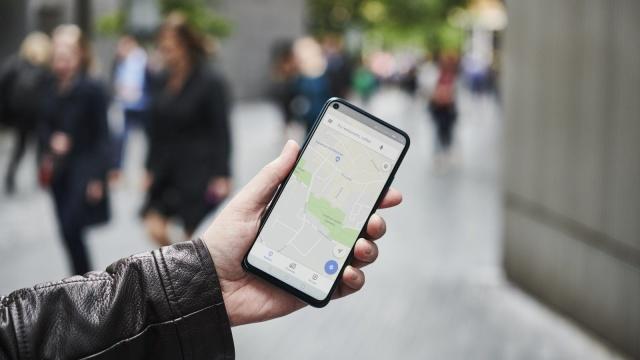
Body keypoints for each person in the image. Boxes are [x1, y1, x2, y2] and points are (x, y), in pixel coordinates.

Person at [0, 140, 403, 359]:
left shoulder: (205, 80)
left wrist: (206, 272)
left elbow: (22, 338)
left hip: (199, 182)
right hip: (169, 180)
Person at [142, 14, 232, 246]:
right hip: (166, 168)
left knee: (195, 240)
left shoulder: (210, 81)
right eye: (161, 47)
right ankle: (175, 269)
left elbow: (221, 130)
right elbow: (155, 130)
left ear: (185, 46)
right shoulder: (161, 80)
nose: (165, 53)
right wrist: (149, 168)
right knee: (153, 224)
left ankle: (185, 277)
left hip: (198, 170)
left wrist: (222, 174)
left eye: (169, 48)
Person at [38, 25, 112, 275]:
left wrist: (98, 177)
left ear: (79, 54)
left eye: (67, 53)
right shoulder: (49, 85)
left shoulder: (92, 88)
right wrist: (51, 140)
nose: (62, 60)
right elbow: (41, 124)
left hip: (84, 165)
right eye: (57, 53)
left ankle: (85, 281)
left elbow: (103, 134)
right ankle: (80, 280)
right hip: (58, 169)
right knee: (66, 232)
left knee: (72, 226)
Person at [0, 32, 52, 194]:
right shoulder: (46, 69)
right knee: (41, 147)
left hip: (20, 116)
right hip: (38, 115)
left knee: (20, 147)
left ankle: (10, 178)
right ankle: (41, 179)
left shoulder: (14, 64)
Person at [109, 34, 149, 179]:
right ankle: (118, 169)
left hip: (142, 104)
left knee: (144, 138)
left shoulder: (141, 60)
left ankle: (144, 170)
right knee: (121, 138)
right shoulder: (120, 62)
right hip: (124, 104)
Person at [425, 51, 460, 162]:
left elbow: (454, 94)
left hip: (448, 109)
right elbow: (429, 92)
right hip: (438, 108)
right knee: (438, 130)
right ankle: (439, 154)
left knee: (447, 131)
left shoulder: (453, 77)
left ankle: (446, 151)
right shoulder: (434, 74)